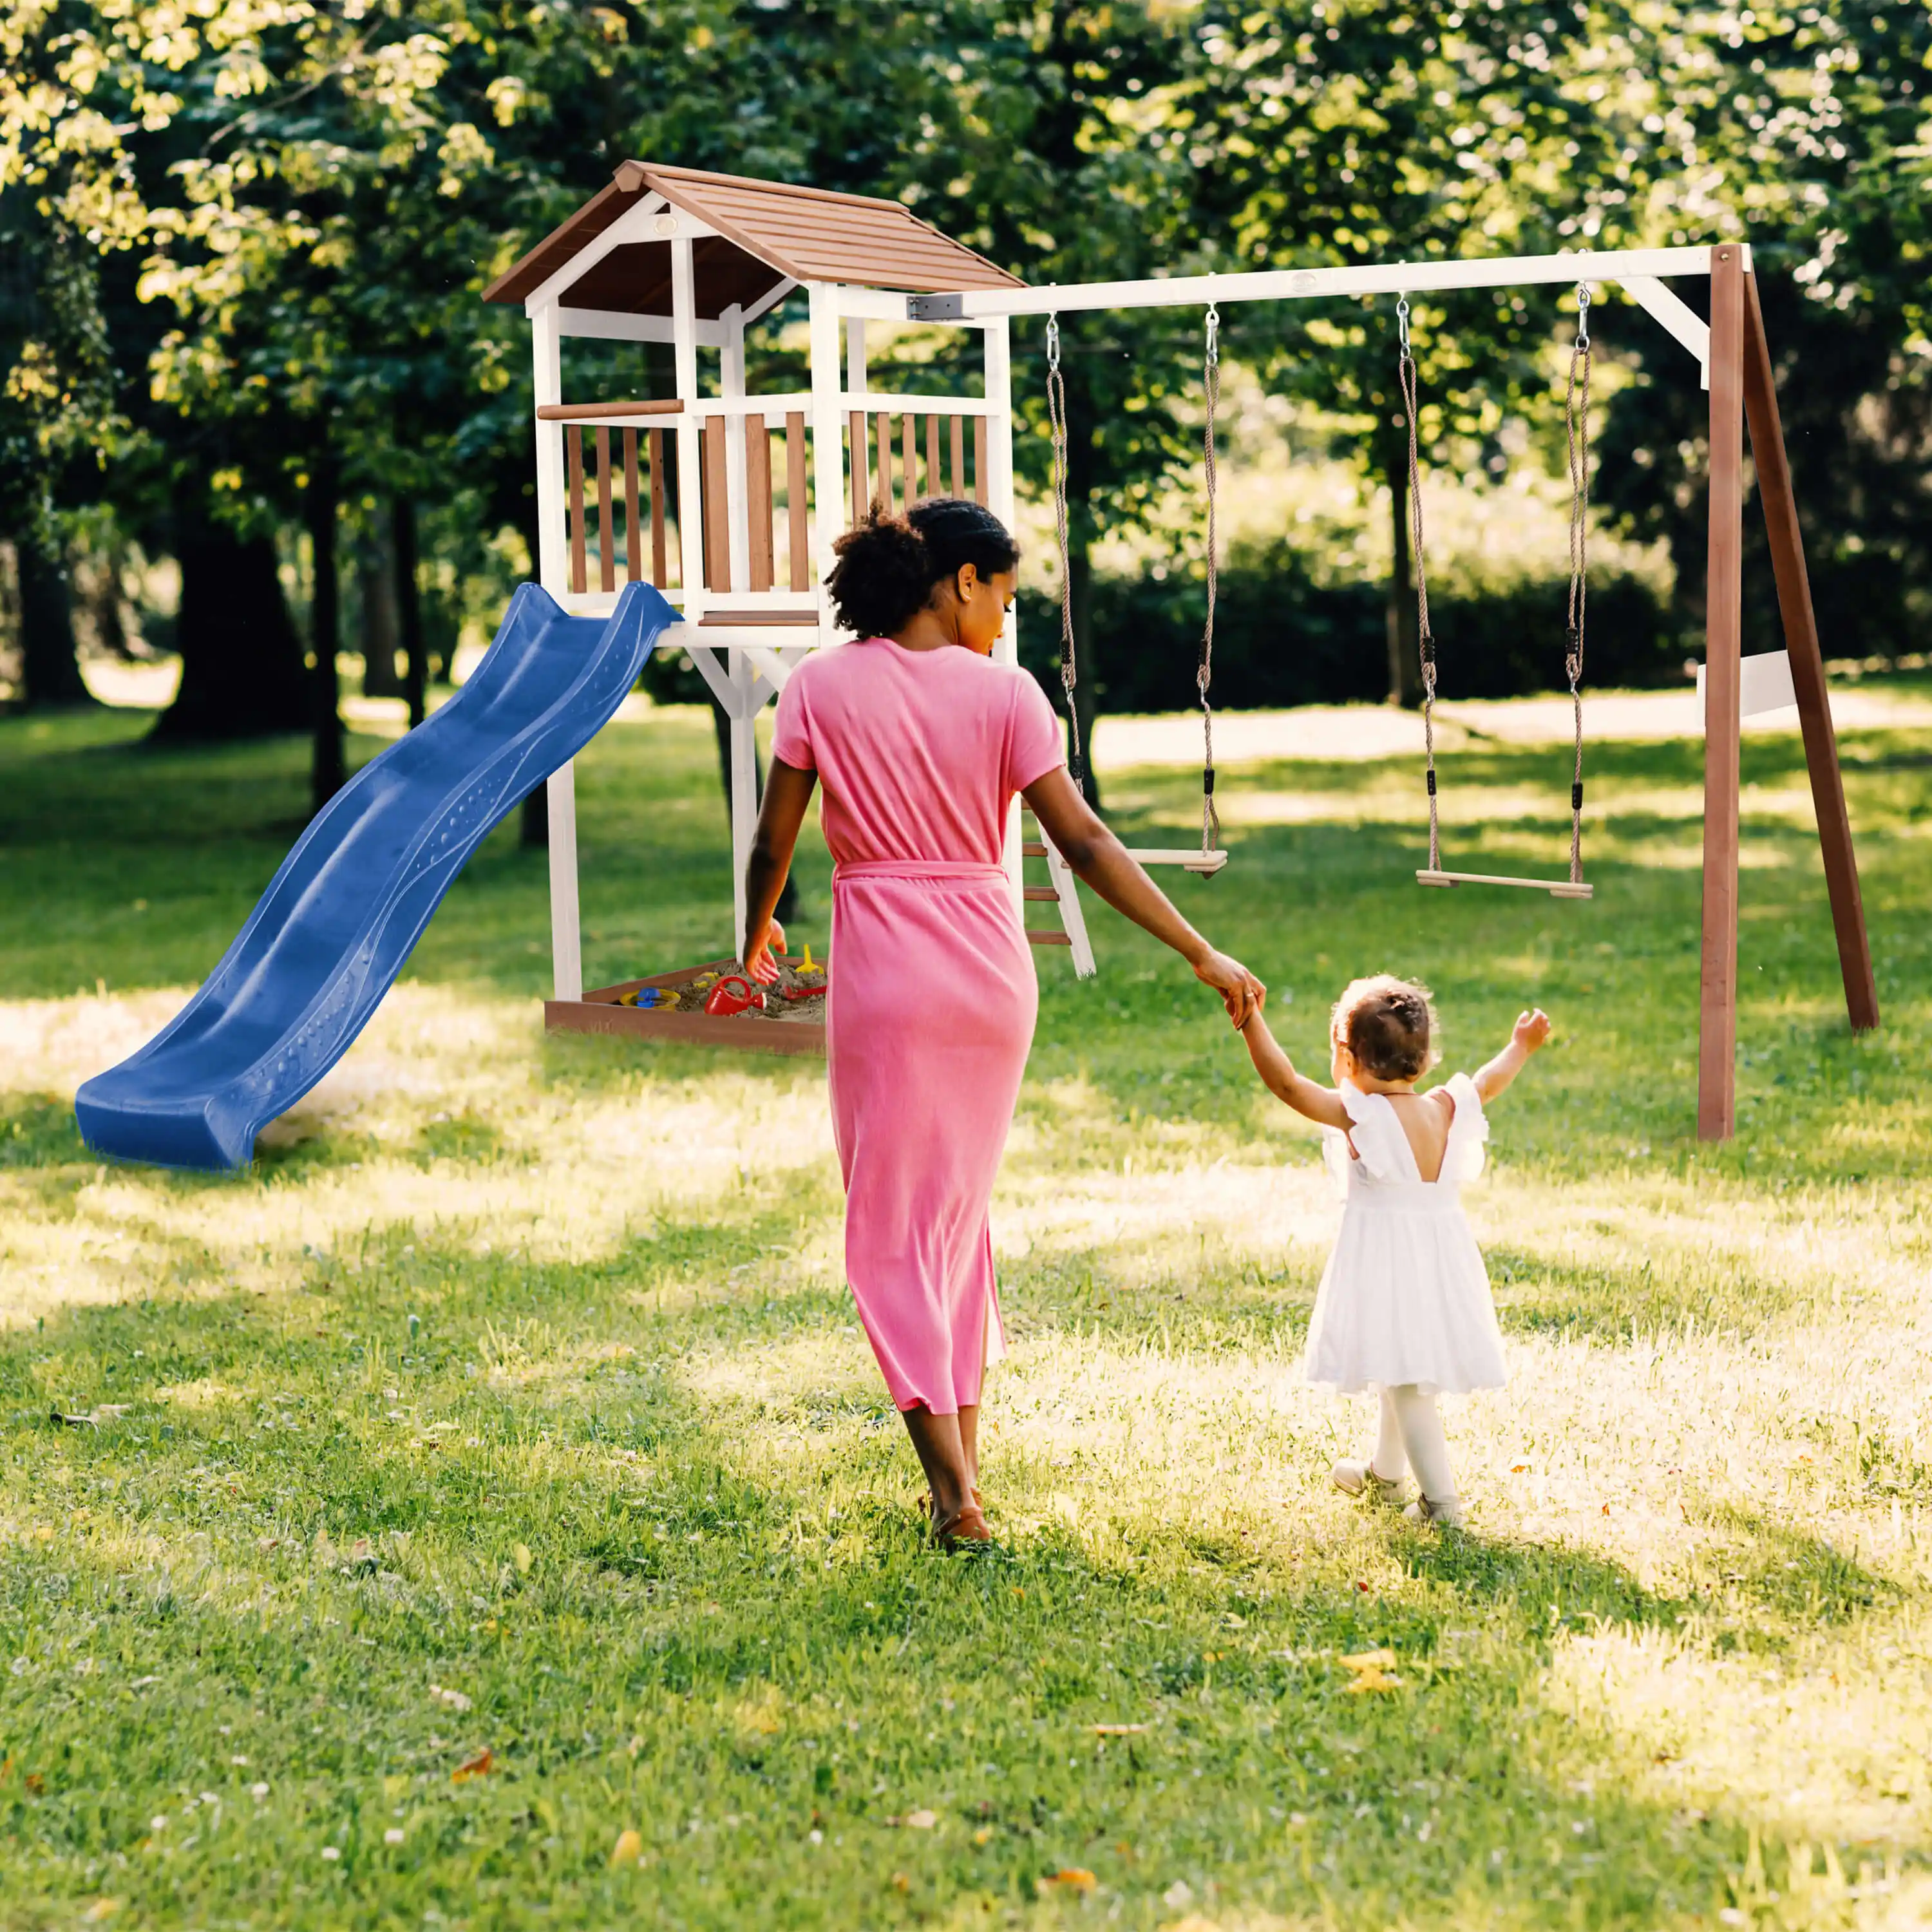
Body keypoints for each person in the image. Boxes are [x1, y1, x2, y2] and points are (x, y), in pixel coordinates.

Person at [741, 498, 1265, 1548]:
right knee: (952, 1225)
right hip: (989, 976)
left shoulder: (818, 687)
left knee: (891, 1232)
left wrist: (751, 938)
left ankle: (953, 1495)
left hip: (887, 975)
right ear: (960, 581)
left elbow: (774, 841)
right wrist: (1197, 948)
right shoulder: (1008, 697)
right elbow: (1085, 844)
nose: (1005, 620)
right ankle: (963, 1474)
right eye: (1005, 596)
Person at [1235, 976, 1551, 1528]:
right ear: (1424, 1061)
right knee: (1395, 1362)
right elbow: (1488, 1080)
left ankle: (1441, 1504)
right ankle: (1385, 1476)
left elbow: (1286, 1085)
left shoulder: (1362, 1116)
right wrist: (1520, 1047)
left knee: (1407, 1383)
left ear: (1348, 1057)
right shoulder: (1445, 1107)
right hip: (1439, 1259)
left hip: (1389, 1263)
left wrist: (1250, 1020)